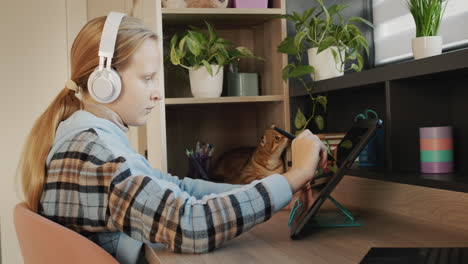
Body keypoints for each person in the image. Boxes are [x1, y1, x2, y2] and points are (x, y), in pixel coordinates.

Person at [17, 12, 327, 264]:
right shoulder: (95, 155)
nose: (158, 92)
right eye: (148, 78)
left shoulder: (89, 140)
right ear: (104, 81)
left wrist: (276, 190)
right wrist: (297, 174)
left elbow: (178, 188)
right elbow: (191, 224)